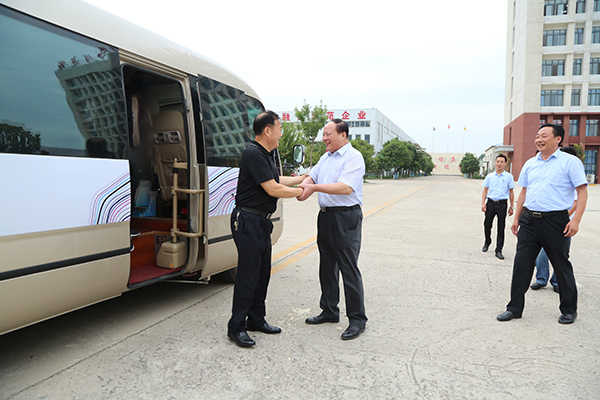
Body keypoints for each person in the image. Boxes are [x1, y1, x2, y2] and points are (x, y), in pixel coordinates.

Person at [227, 111, 305, 348]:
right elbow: (272, 189)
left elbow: (278, 180)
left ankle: (256, 320)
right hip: (248, 220)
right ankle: (236, 327)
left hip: (261, 222)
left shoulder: (266, 155)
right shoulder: (253, 153)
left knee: (261, 273)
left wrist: (305, 179)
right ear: (268, 130)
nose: (281, 133)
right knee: (248, 275)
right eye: (279, 128)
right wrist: (304, 192)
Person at [497, 124, 588, 324]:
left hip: (556, 221)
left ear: (558, 139)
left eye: (544, 136)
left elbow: (582, 191)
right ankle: (514, 308)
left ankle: (569, 310)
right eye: (537, 136)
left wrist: (576, 220)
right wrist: (517, 217)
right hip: (529, 221)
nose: (539, 139)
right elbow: (524, 193)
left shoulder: (570, 162)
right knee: (521, 264)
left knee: (561, 265)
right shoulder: (531, 163)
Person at [297, 119, 368, 340]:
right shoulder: (325, 157)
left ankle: (357, 320)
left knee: (348, 268)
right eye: (324, 134)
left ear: (343, 135)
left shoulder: (353, 157)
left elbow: (346, 187)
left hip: (346, 217)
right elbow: (312, 176)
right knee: (327, 266)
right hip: (326, 217)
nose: (324, 138)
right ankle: (329, 310)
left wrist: (313, 187)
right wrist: (304, 187)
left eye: (328, 134)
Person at [531, 146, 580, 293]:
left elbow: (576, 202)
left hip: (564, 224)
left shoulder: (573, 177)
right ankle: (541, 279)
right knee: (541, 255)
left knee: (560, 256)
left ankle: (556, 281)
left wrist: (562, 217)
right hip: (546, 222)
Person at [481, 154, 515, 259]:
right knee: (487, 224)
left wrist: (512, 206)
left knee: (501, 227)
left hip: (502, 204)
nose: (499, 164)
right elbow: (485, 190)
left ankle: (499, 250)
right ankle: (487, 242)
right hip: (490, 203)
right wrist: (483, 203)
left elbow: (511, 192)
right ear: (495, 162)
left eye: (501, 162)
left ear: (505, 163)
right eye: (497, 161)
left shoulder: (509, 177)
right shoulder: (489, 176)